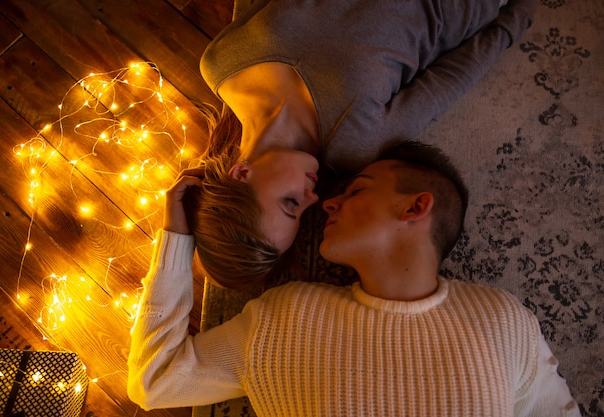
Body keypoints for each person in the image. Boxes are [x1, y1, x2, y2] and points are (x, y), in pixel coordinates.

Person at [128, 141, 580, 416]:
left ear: (415, 208)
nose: (326, 202)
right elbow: (156, 380)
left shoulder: (503, 319)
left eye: (358, 190)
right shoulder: (285, 317)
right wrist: (175, 236)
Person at [192, 0, 539, 290]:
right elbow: (451, 77)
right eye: (303, 211)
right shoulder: (355, 142)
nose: (314, 198)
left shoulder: (220, 64)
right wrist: (519, 13)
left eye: (290, 202)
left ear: (240, 173)